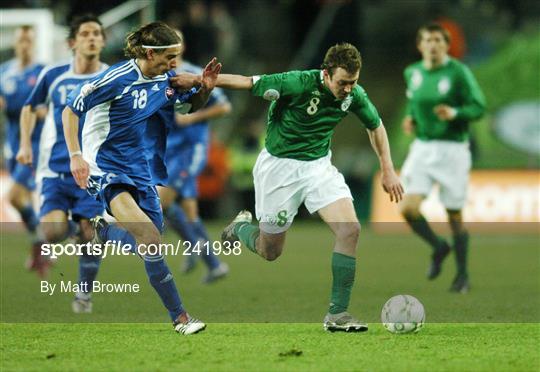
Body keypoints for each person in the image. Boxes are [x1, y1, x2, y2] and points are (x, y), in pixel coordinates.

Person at [186, 43, 404, 332]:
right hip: (279, 170)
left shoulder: (354, 95)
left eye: (354, 82)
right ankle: (240, 228)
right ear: (326, 74)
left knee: (349, 229)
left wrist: (387, 169)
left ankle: (337, 314)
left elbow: (375, 126)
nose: (349, 89)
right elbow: (250, 82)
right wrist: (208, 81)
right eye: (343, 83)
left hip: (318, 167)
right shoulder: (298, 82)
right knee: (270, 251)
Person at [62, 21, 221, 335]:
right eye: (169, 56)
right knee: (149, 238)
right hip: (104, 168)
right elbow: (71, 110)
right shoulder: (115, 79)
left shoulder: (163, 79)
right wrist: (75, 155)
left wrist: (205, 88)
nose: (174, 63)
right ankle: (181, 318)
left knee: (152, 239)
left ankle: (99, 230)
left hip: (138, 168)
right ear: (151, 52)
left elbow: (189, 108)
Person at [17, 15, 107, 295]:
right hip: (55, 169)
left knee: (91, 236)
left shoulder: (111, 76)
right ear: (72, 42)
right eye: (85, 34)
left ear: (103, 41)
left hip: (92, 171)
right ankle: (63, 233)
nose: (92, 38)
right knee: (54, 232)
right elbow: (29, 108)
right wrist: (24, 144)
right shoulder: (54, 75)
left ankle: (84, 293)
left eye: (96, 33)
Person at [399, 23, 486, 293]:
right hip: (423, 148)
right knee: (407, 209)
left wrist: (455, 113)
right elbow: (415, 101)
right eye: (428, 40)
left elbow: (478, 106)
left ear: (446, 45)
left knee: (454, 215)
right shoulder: (412, 73)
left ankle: (462, 275)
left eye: (438, 40)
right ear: (420, 45)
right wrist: (412, 118)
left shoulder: (458, 72)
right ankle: (438, 247)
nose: (433, 45)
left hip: (453, 150)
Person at [153, 37, 232, 283]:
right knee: (188, 213)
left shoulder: (195, 74)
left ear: (181, 47)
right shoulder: (157, 77)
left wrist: (192, 118)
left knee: (160, 203)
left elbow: (224, 107)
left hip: (190, 149)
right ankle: (213, 263)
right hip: (168, 153)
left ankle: (196, 250)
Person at [0, 25, 45, 274]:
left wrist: (43, 111)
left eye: (29, 40)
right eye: (21, 40)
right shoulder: (4, 72)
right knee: (23, 200)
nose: (25, 45)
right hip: (13, 146)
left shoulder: (42, 73)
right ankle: (41, 248)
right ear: (15, 43)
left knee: (14, 197)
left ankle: (41, 243)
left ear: (34, 43)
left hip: (36, 146)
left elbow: (49, 108)